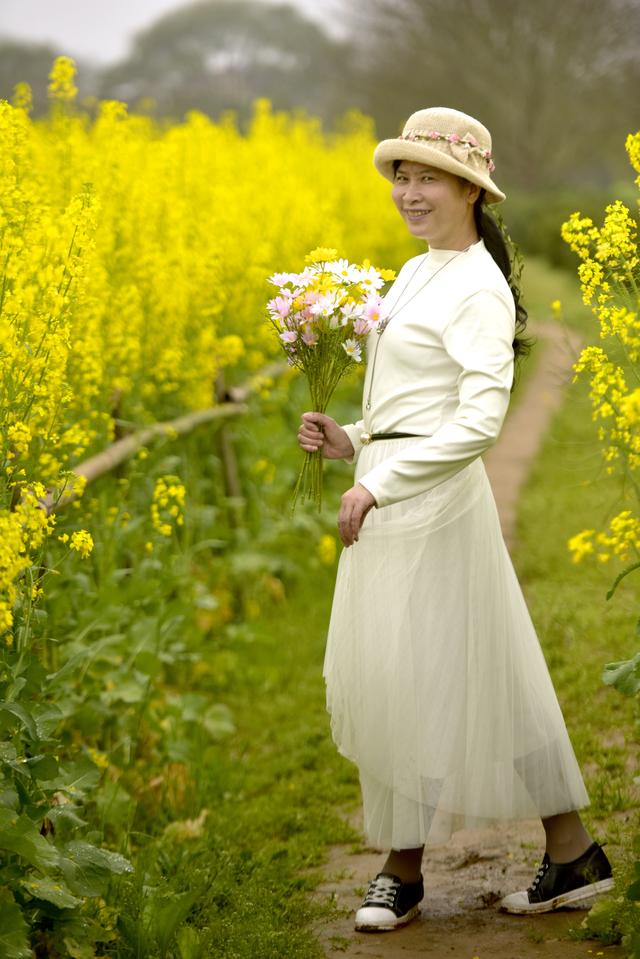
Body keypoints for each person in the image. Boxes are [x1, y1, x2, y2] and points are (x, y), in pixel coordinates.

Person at [297, 107, 614, 933]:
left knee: (417, 675)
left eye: (427, 177)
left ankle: (401, 869)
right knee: (477, 670)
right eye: (401, 175)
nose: (409, 191)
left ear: (471, 189)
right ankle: (574, 851)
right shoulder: (413, 271)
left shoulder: (477, 286)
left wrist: (380, 484)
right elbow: (413, 406)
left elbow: (477, 421)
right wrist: (352, 439)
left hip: (430, 504)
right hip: (394, 492)